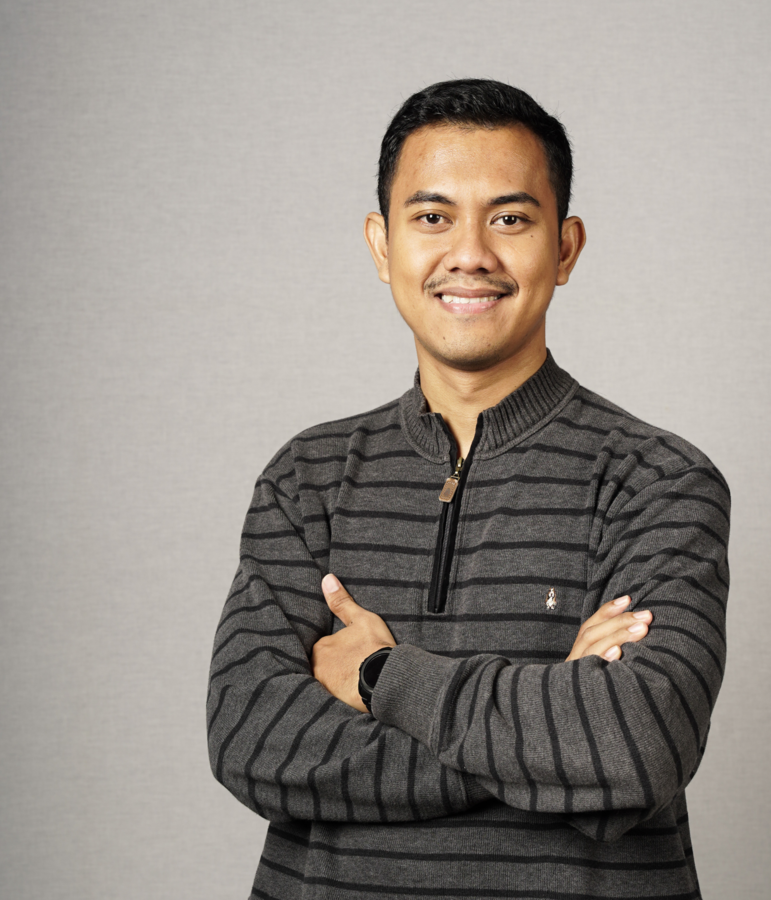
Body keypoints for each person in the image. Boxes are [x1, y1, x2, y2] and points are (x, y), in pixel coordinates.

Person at [207, 78, 730, 900]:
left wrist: (382, 678)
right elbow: (251, 738)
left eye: (511, 219)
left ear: (565, 247)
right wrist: (553, 740)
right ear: (383, 245)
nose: (471, 254)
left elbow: (637, 745)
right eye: (432, 217)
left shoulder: (658, 481)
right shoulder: (306, 480)